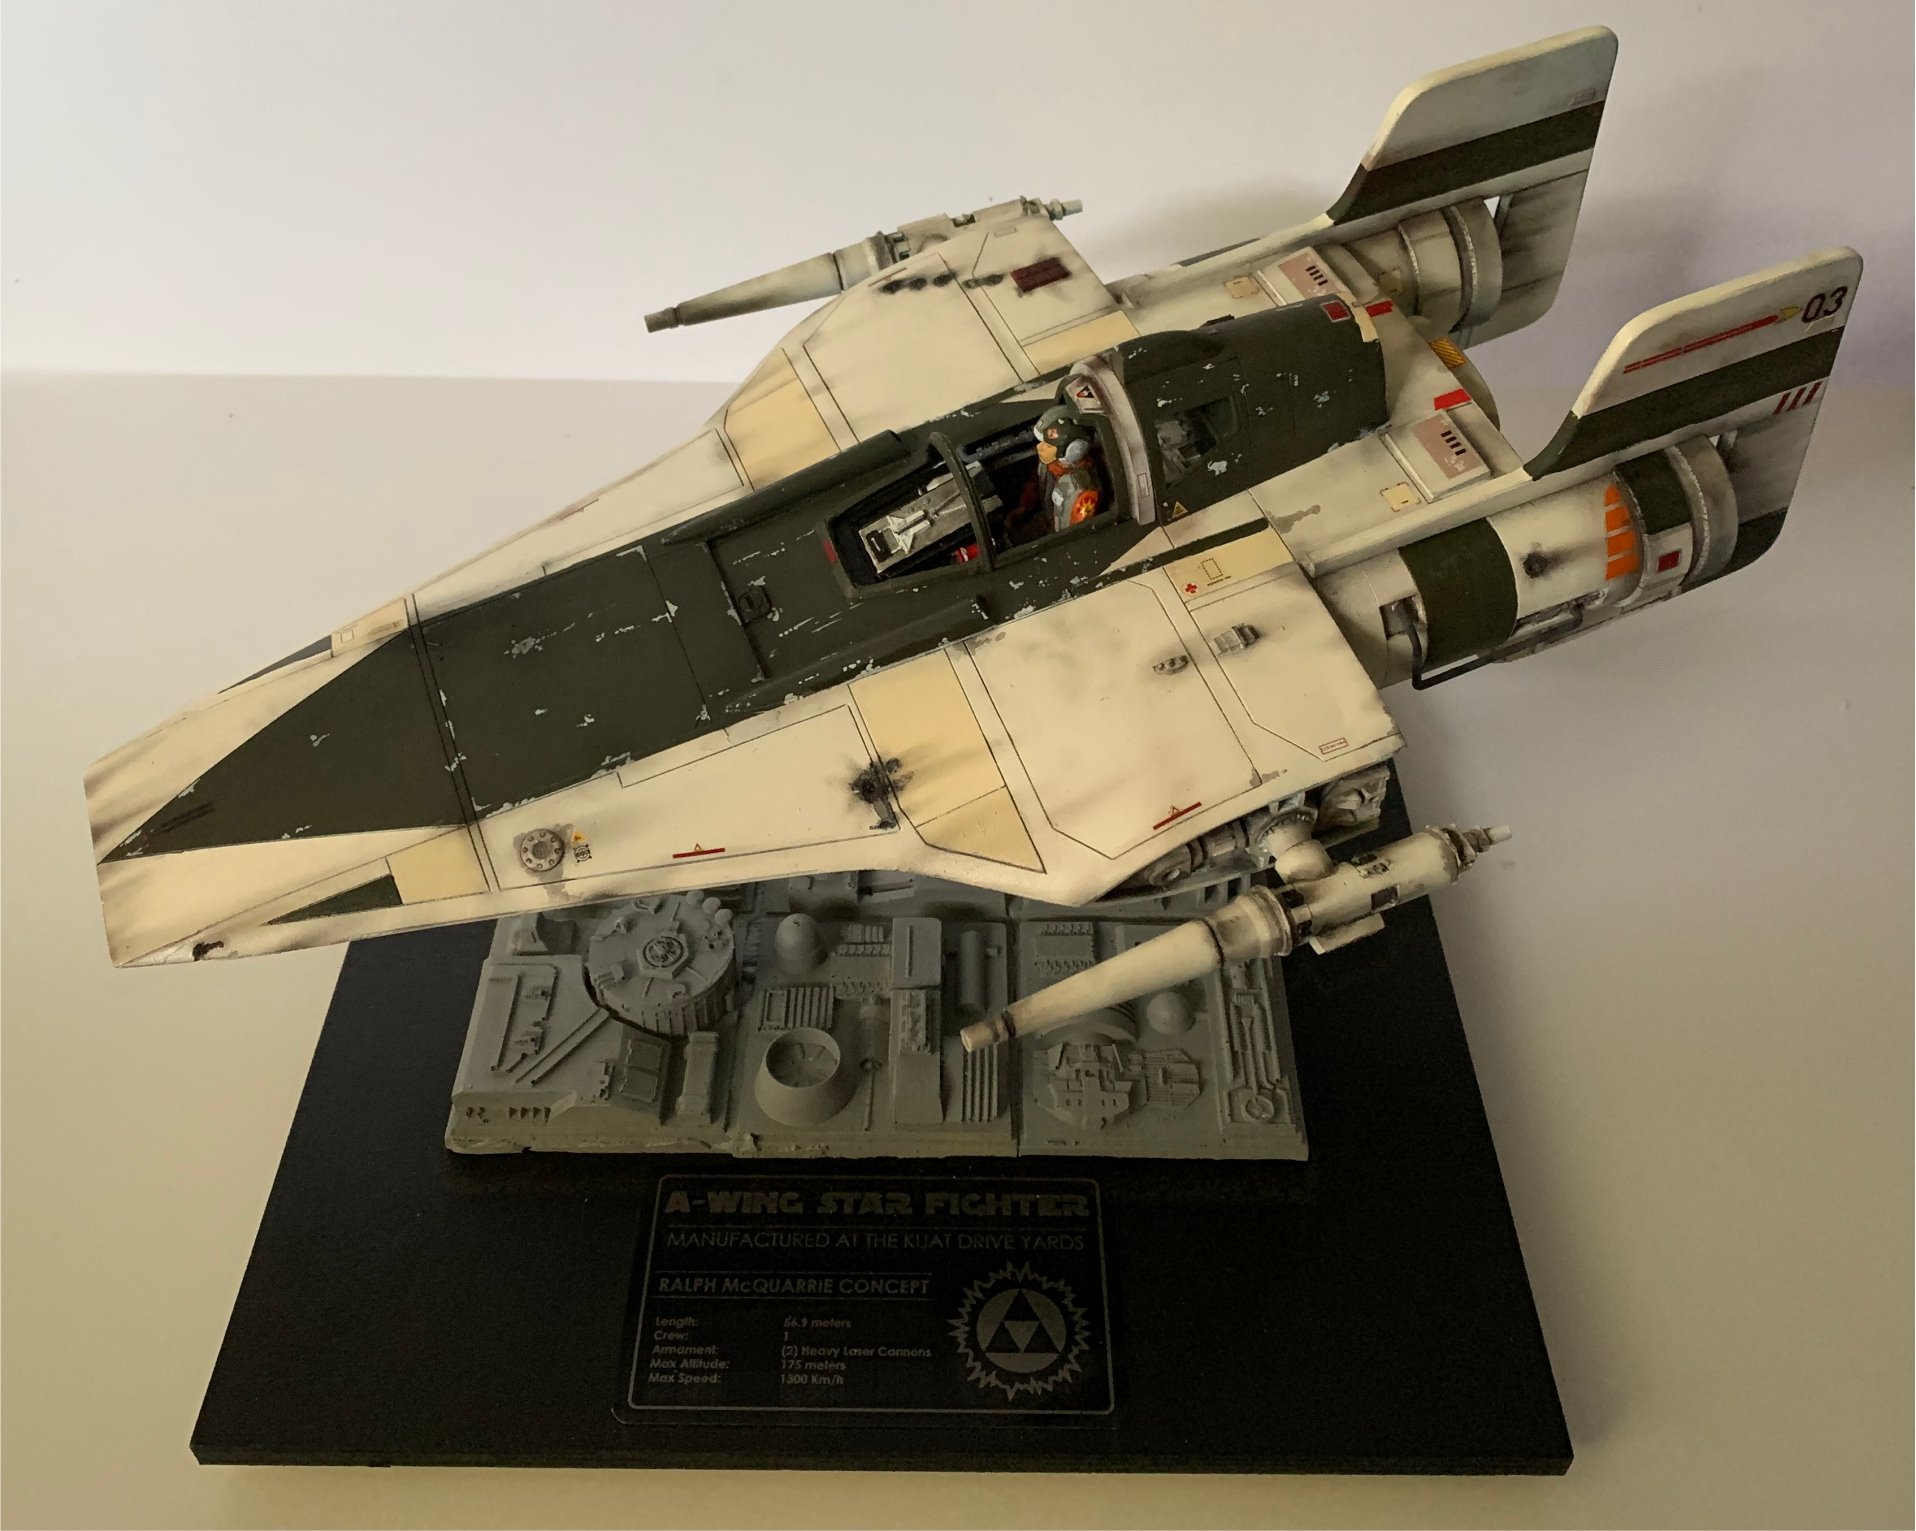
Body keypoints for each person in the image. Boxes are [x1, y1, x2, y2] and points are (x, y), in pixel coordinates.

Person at [1013, 405, 1103, 539]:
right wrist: (1024, 507)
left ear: (1073, 450)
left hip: (1060, 534)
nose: (1039, 447)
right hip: (1047, 517)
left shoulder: (1084, 491)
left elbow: (1075, 535)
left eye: (1048, 445)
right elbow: (1037, 481)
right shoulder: (1050, 461)